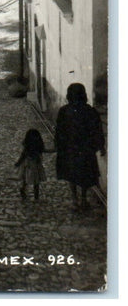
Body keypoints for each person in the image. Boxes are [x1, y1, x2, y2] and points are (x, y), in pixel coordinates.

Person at [55, 82, 106, 210]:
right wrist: (101, 146)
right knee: (85, 174)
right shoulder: (90, 111)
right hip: (86, 149)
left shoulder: (64, 111)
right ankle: (83, 199)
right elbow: (97, 130)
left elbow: (59, 130)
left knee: (71, 174)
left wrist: (58, 146)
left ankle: (74, 200)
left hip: (70, 148)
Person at [15, 128, 50, 201]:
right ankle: (34, 196)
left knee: (29, 180)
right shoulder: (34, 146)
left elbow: (22, 156)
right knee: (33, 181)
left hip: (32, 165)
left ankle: (26, 191)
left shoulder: (29, 147)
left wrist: (18, 163)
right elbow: (44, 150)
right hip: (30, 165)